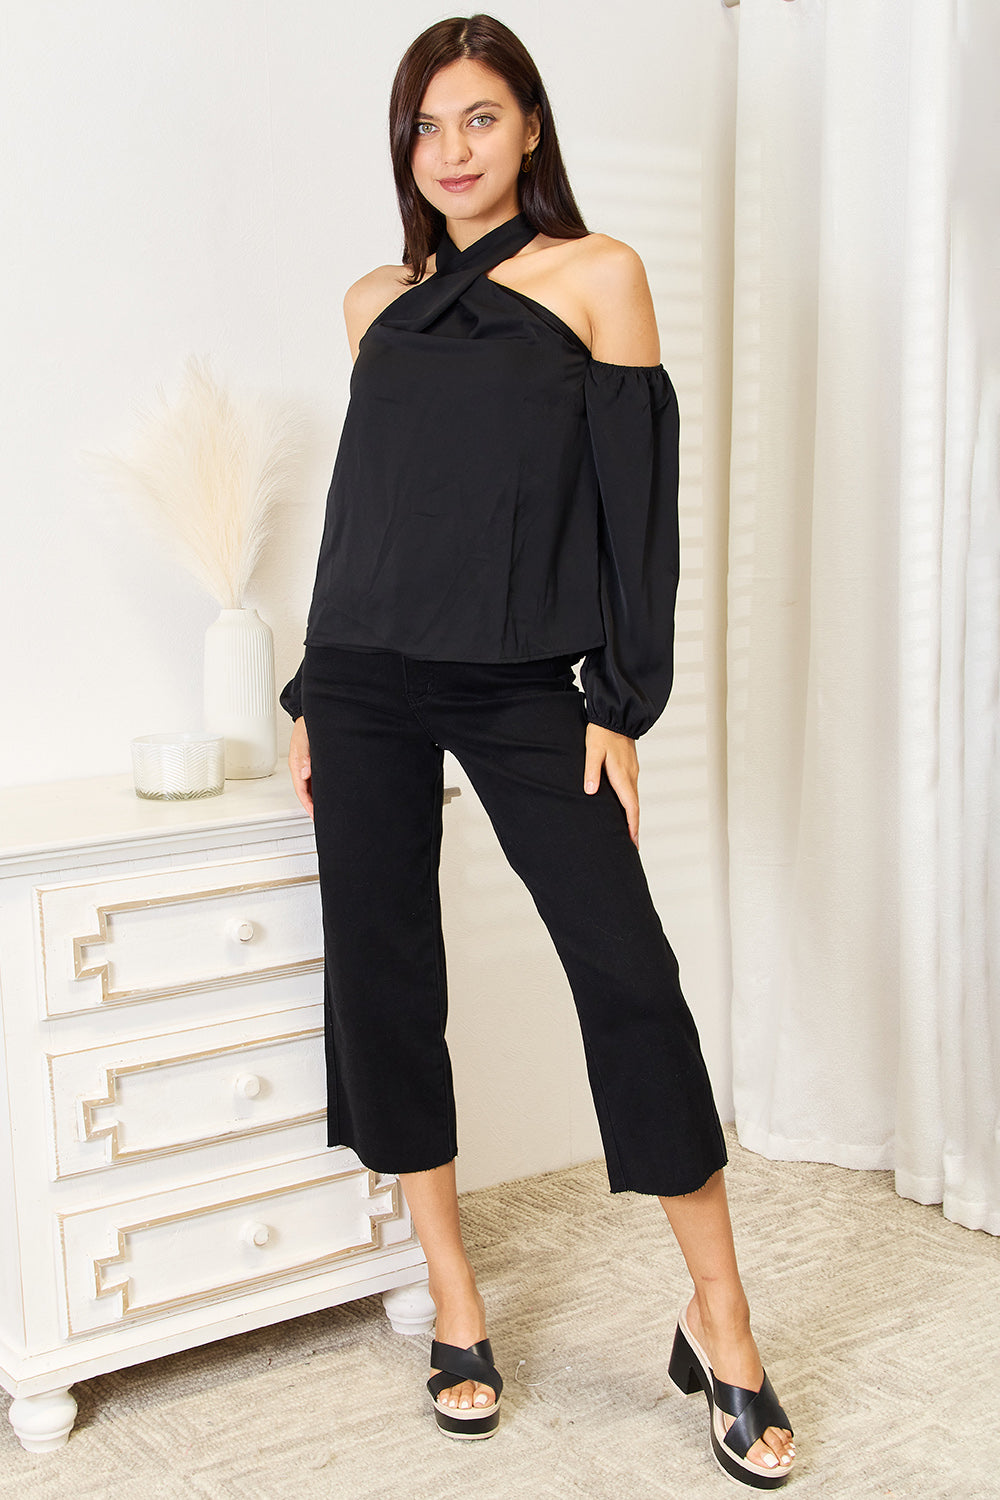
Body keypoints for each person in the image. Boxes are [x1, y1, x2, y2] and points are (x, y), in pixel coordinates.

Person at [280, 12, 795, 1487]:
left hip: (523, 690)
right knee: (384, 978)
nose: (452, 150)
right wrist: (315, 685)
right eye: (428, 126)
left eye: (480, 119)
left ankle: (723, 1320)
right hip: (367, 681)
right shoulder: (375, 300)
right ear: (407, 147)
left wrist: (620, 705)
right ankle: (456, 1305)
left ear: (530, 131)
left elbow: (640, 514)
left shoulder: (598, 279)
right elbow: (361, 510)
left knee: (628, 978)